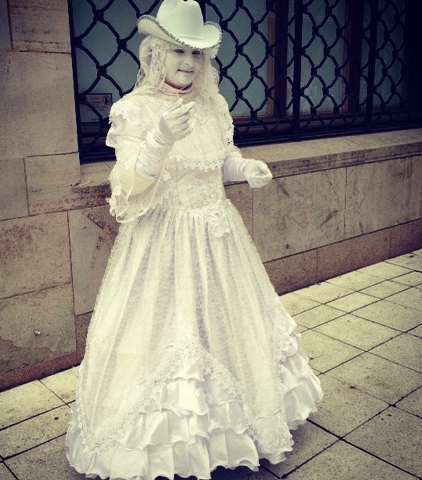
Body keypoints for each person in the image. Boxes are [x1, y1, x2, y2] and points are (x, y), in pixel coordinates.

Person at [66, 0, 323, 478]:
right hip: (163, 241)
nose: (188, 62)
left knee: (226, 328)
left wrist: (245, 168)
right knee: (171, 333)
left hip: (218, 238)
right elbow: (129, 186)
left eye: (196, 53)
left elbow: (219, 161)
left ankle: (236, 427)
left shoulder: (213, 105)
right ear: (155, 53)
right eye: (178, 50)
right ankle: (173, 443)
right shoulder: (134, 111)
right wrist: (159, 139)